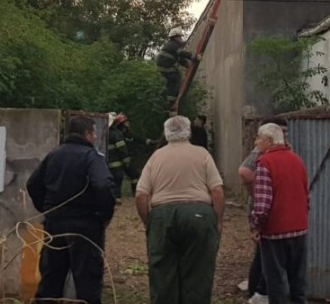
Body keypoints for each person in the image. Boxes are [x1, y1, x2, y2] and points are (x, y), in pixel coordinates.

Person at [135, 115, 225, 304]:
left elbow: (141, 195)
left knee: (162, 273)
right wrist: (217, 221)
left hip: (162, 215)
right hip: (199, 214)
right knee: (198, 270)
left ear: (166, 134)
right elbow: (217, 191)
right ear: (189, 132)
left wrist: (149, 223)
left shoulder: (156, 156)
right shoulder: (202, 154)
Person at [26, 116, 116, 304]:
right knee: (87, 280)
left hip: (55, 225)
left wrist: (48, 209)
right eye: (94, 133)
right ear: (88, 134)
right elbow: (103, 186)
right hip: (84, 226)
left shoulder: (54, 155)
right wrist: (105, 215)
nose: (95, 138)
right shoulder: (91, 157)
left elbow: (33, 184)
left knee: (51, 279)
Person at [250, 122, 308, 304]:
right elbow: (307, 196)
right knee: (298, 280)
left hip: (275, 231)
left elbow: (263, 203)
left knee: (275, 281)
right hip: (299, 228)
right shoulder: (297, 160)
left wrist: (256, 226)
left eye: (259, 137)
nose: (256, 142)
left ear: (269, 141)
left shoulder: (265, 163)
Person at [239, 118, 288, 304]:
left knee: (263, 253)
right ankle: (257, 291)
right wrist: (257, 193)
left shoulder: (275, 151)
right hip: (261, 207)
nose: (283, 135)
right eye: (281, 131)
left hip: (265, 206)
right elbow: (244, 172)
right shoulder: (260, 151)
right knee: (263, 253)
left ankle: (259, 292)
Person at [155, 27, 199, 111]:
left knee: (172, 81)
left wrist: (187, 64)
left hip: (165, 67)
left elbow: (179, 58)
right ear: (175, 37)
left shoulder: (172, 46)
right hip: (166, 67)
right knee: (175, 78)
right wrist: (195, 57)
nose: (181, 39)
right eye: (179, 37)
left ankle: (172, 100)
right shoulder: (173, 45)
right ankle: (172, 101)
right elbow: (182, 53)